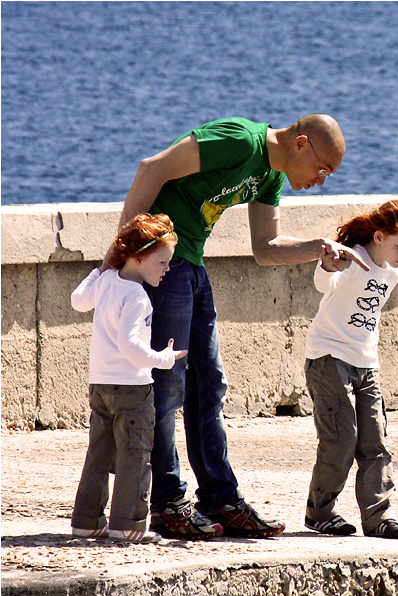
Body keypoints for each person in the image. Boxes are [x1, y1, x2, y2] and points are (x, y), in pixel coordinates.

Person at [107, 114, 368, 540]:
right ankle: (167, 503)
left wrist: (319, 248)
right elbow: (151, 169)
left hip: (190, 264)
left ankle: (220, 500)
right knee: (167, 383)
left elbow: (265, 249)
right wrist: (121, 255)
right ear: (301, 143)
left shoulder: (270, 174)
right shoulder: (238, 141)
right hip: (160, 264)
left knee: (209, 385)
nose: (321, 180)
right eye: (324, 169)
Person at [303, 199, 398, 539]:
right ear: (378, 236)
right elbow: (322, 285)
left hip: (366, 363)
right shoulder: (351, 258)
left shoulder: (393, 272)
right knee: (341, 439)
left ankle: (377, 518)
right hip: (328, 358)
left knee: (375, 442)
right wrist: (330, 265)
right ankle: (321, 513)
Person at [71, 213, 187, 544]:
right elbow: (131, 347)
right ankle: (128, 524)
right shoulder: (136, 296)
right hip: (132, 388)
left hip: (100, 385)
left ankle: (86, 521)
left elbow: (78, 301)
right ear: (138, 257)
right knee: (134, 455)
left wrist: (100, 269)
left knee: (98, 453)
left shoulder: (107, 281)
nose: (167, 269)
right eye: (162, 261)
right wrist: (164, 359)